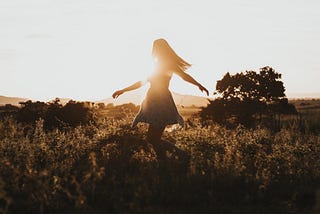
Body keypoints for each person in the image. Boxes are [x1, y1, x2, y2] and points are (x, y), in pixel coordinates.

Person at [112, 38, 209, 143]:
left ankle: (181, 156)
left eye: (156, 48)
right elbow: (142, 82)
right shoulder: (156, 65)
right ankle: (173, 157)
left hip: (161, 101)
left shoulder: (167, 64)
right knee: (153, 139)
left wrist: (198, 84)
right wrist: (123, 90)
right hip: (153, 101)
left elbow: (184, 76)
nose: (153, 50)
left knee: (153, 139)